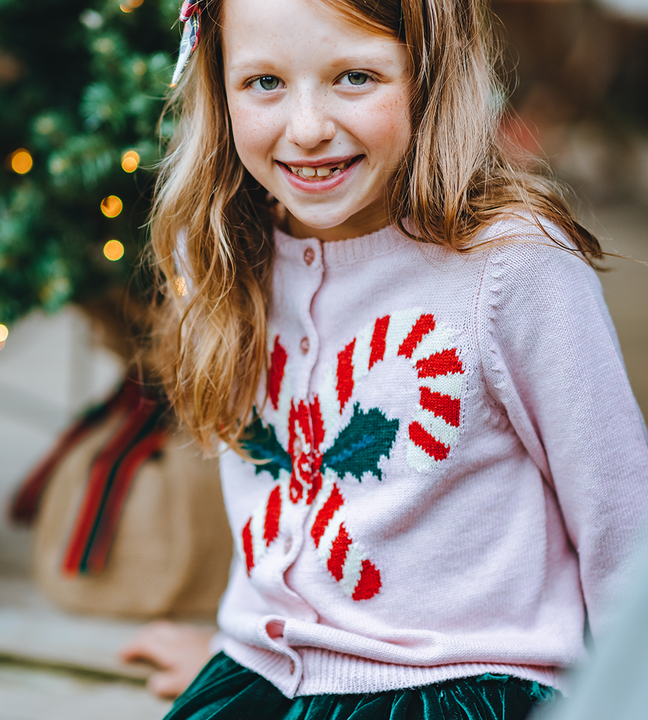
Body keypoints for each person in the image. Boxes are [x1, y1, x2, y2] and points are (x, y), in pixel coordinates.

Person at [131, 0, 648, 716]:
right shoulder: (222, 249)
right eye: (264, 83)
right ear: (218, 92)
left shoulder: (512, 270)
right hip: (265, 670)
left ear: (428, 75)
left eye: (354, 77)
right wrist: (239, 649)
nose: (307, 129)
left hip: (460, 683)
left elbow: (622, 524)